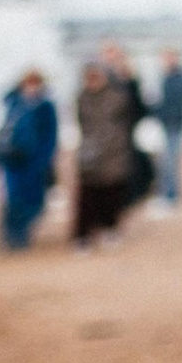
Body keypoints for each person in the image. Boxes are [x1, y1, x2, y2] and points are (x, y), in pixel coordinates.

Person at [72, 45, 147, 245]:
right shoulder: (82, 98)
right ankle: (84, 234)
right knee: (87, 196)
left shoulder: (119, 97)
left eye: (97, 77)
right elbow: (81, 122)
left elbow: (137, 112)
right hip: (90, 154)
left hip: (114, 154)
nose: (93, 81)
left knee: (111, 195)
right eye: (90, 77)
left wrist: (130, 77)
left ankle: (110, 229)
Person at [0, 69, 58, 248]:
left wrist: (44, 160)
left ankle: (21, 233)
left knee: (34, 201)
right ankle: (12, 236)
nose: (31, 87)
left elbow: (50, 136)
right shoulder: (15, 103)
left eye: (35, 83)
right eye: (28, 82)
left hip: (34, 162)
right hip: (13, 160)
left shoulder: (45, 107)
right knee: (13, 200)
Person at [155, 50, 182, 204]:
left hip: (174, 124)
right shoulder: (167, 78)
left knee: (169, 162)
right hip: (168, 124)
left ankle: (170, 196)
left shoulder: (178, 79)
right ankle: (168, 193)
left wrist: (160, 112)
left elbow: (173, 104)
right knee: (167, 161)